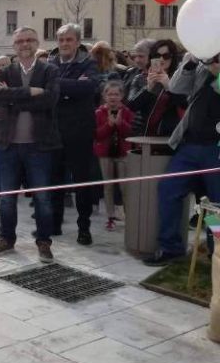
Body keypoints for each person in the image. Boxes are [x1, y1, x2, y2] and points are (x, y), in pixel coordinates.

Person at [0, 26, 61, 263]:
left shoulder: (49, 70)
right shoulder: (5, 71)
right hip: (7, 144)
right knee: (7, 198)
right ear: (14, 46)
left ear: (37, 42)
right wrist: (31, 91)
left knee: (42, 198)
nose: (25, 44)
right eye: (20, 41)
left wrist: (14, 97)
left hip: (38, 146)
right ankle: (6, 239)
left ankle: (43, 242)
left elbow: (50, 100)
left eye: (29, 40)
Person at [145, 53, 220, 264]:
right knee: (168, 190)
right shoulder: (201, 62)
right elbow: (176, 88)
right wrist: (189, 63)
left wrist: (217, 74)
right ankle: (170, 247)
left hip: (216, 148)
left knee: (216, 205)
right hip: (190, 144)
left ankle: (217, 254)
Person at [48, 23, 101, 245]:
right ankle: (55, 223)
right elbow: (46, 89)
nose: (64, 44)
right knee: (55, 181)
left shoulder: (89, 63)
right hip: (54, 131)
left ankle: (84, 227)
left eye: (69, 40)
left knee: (82, 182)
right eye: (61, 40)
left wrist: (59, 87)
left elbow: (89, 88)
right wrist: (71, 87)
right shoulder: (50, 64)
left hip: (80, 132)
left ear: (78, 42)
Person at [94, 81, 134, 230]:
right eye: (109, 94)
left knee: (125, 186)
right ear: (104, 96)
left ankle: (129, 216)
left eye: (116, 94)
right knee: (108, 186)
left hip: (123, 153)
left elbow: (131, 133)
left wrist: (120, 123)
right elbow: (97, 135)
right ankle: (110, 217)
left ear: (122, 96)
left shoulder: (127, 111)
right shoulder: (98, 112)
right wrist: (109, 125)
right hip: (105, 154)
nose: (113, 97)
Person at [128, 39, 186, 139]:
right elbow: (131, 106)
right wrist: (148, 89)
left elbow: (185, 104)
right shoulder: (140, 78)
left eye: (166, 56)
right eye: (157, 56)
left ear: (173, 58)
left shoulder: (180, 78)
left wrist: (169, 87)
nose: (161, 59)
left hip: (169, 136)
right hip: (143, 135)